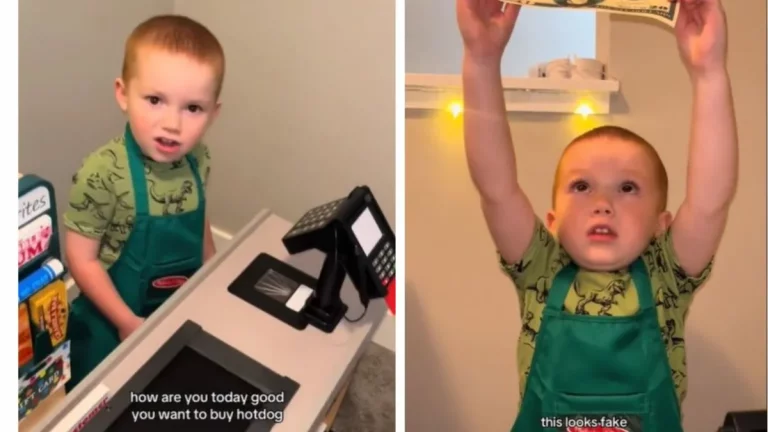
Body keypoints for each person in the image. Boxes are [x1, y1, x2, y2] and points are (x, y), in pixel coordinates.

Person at [457, 0, 736, 430]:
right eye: (581, 186)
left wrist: (709, 72)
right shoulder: (540, 268)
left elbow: (710, 200)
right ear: (552, 222)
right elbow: (496, 187)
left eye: (627, 188)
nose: (602, 203)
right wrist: (481, 58)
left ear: (663, 225)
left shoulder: (667, 273)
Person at [63, 14, 225, 391]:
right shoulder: (103, 172)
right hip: (111, 315)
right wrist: (125, 322)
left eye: (193, 108)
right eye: (155, 100)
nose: (172, 123)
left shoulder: (198, 159)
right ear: (123, 93)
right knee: (103, 400)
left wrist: (213, 278)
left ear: (213, 113)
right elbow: (81, 259)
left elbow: (199, 222)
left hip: (174, 305)